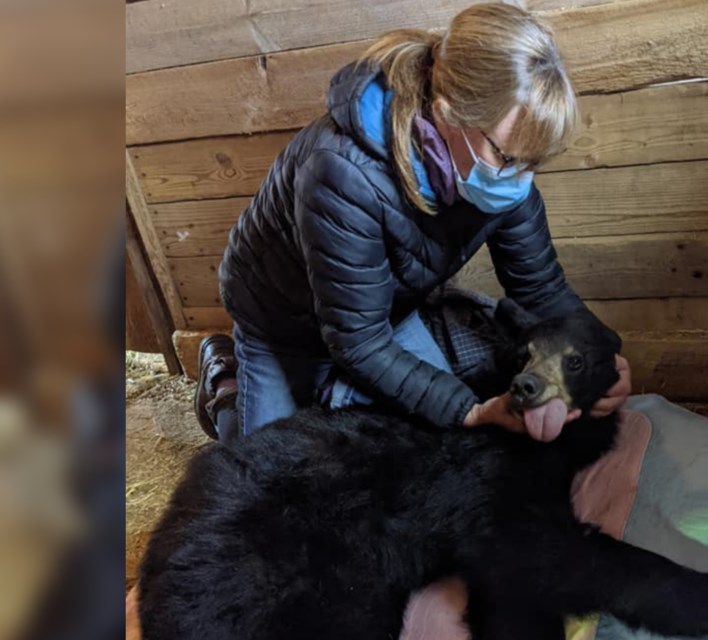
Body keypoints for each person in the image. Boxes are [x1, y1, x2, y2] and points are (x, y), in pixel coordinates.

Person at [194, 3, 631, 447]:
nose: (519, 178)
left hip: (381, 311)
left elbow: (541, 288)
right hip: (280, 321)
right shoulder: (341, 172)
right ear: (447, 114)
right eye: (507, 157)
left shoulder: (498, 175)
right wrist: (472, 410)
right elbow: (359, 343)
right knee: (268, 469)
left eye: (532, 161)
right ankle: (227, 387)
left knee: (430, 442)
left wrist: (601, 352)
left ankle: (330, 395)